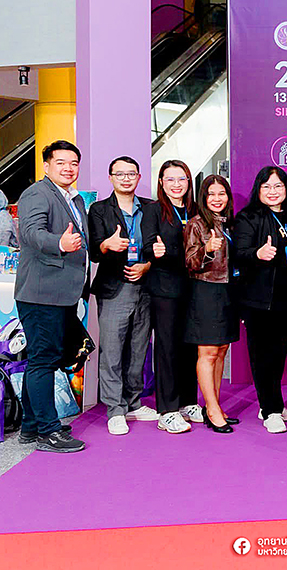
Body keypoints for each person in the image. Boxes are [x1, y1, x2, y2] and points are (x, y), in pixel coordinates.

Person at [12, 140, 88, 452]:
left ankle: (31, 426)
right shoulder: (37, 193)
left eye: (73, 163)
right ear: (46, 166)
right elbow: (31, 233)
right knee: (43, 360)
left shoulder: (74, 198)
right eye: (61, 162)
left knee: (45, 359)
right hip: (41, 292)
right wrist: (59, 243)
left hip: (63, 293)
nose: (68, 168)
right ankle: (48, 431)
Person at [87, 156, 156, 435]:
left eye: (131, 174)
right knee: (113, 350)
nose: (126, 178)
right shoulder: (99, 209)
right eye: (120, 174)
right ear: (111, 178)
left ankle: (133, 402)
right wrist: (107, 244)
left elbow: (159, 245)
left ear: (139, 177)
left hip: (147, 286)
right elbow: (93, 250)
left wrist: (147, 265)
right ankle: (115, 409)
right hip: (115, 287)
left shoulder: (151, 207)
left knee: (139, 349)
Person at [234, 166, 287, 434]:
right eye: (267, 186)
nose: (273, 192)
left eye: (278, 186)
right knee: (262, 355)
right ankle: (270, 410)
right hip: (257, 299)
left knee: (279, 352)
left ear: (286, 188)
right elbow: (238, 253)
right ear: (258, 189)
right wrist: (257, 253)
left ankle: (274, 403)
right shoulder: (247, 217)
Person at [141, 160, 202, 434]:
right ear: (161, 183)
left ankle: (188, 402)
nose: (176, 184)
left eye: (182, 179)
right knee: (167, 348)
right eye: (170, 179)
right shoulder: (153, 210)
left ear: (189, 182)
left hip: (194, 288)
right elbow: (149, 246)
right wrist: (155, 252)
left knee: (190, 346)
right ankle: (167, 410)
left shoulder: (195, 210)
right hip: (165, 289)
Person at [184, 175, 240, 434]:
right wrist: (206, 249)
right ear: (203, 198)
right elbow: (189, 262)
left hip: (229, 290)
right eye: (211, 194)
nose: (217, 199)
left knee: (222, 349)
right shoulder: (196, 223)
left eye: (222, 194)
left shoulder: (230, 223)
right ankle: (213, 410)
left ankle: (213, 405)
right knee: (207, 352)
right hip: (205, 290)